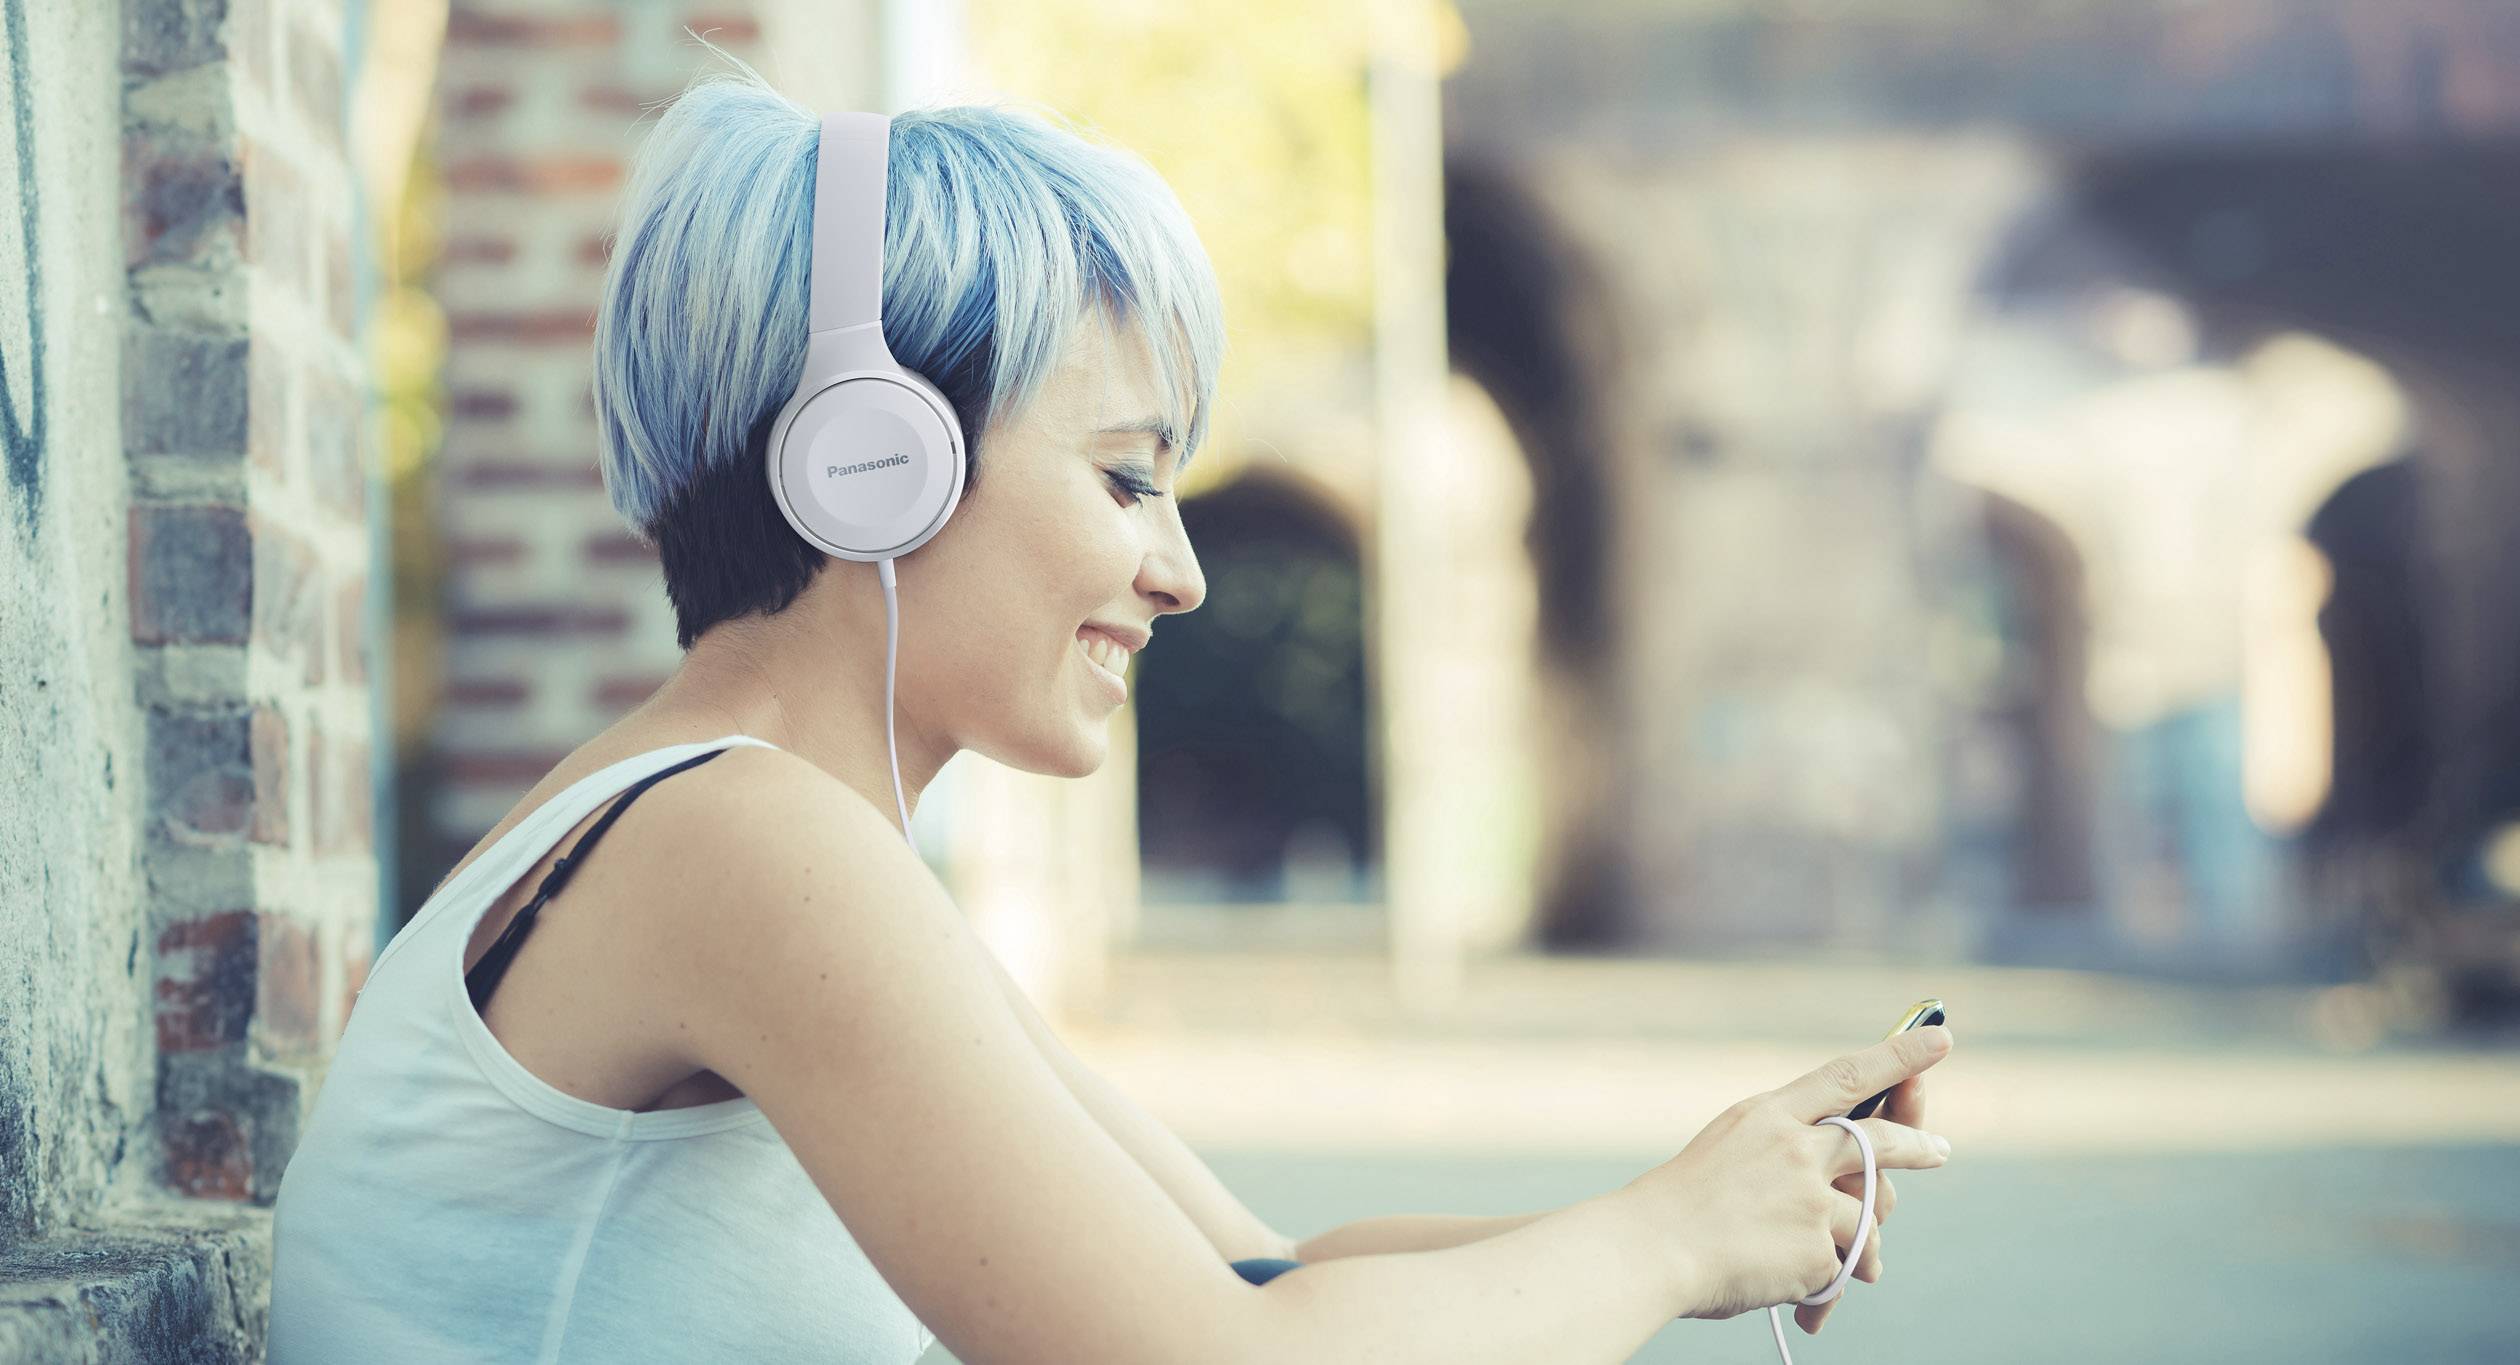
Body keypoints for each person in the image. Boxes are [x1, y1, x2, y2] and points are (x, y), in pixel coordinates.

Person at [266, 52, 1956, 1365]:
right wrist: (1663, 1240)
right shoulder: (740, 839)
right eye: (1130, 477)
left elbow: (1254, 1276)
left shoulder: (744, 823)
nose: (1181, 573)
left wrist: (1717, 1196)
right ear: (875, 464)